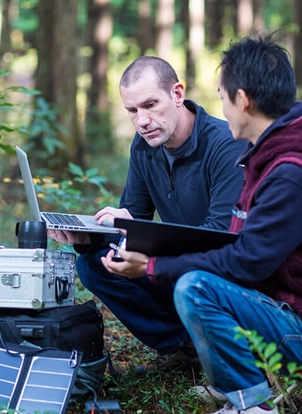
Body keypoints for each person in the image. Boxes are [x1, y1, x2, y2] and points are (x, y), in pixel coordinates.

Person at [102, 34, 302, 414]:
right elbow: (241, 250)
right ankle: (227, 377)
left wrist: (155, 265)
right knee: (197, 280)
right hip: (284, 310)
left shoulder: (292, 174)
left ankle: (254, 405)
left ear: (242, 99)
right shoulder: (270, 156)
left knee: (197, 287)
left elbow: (245, 261)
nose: (220, 109)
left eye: (223, 97)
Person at [48, 56, 246, 372]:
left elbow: (220, 239)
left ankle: (222, 346)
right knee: (95, 263)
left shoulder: (225, 145)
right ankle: (187, 348)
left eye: (150, 104)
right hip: (178, 267)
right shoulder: (143, 148)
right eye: (132, 111)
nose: (142, 120)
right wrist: (89, 237)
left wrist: (147, 254)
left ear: (177, 95)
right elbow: (132, 224)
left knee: (187, 274)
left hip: (223, 274)